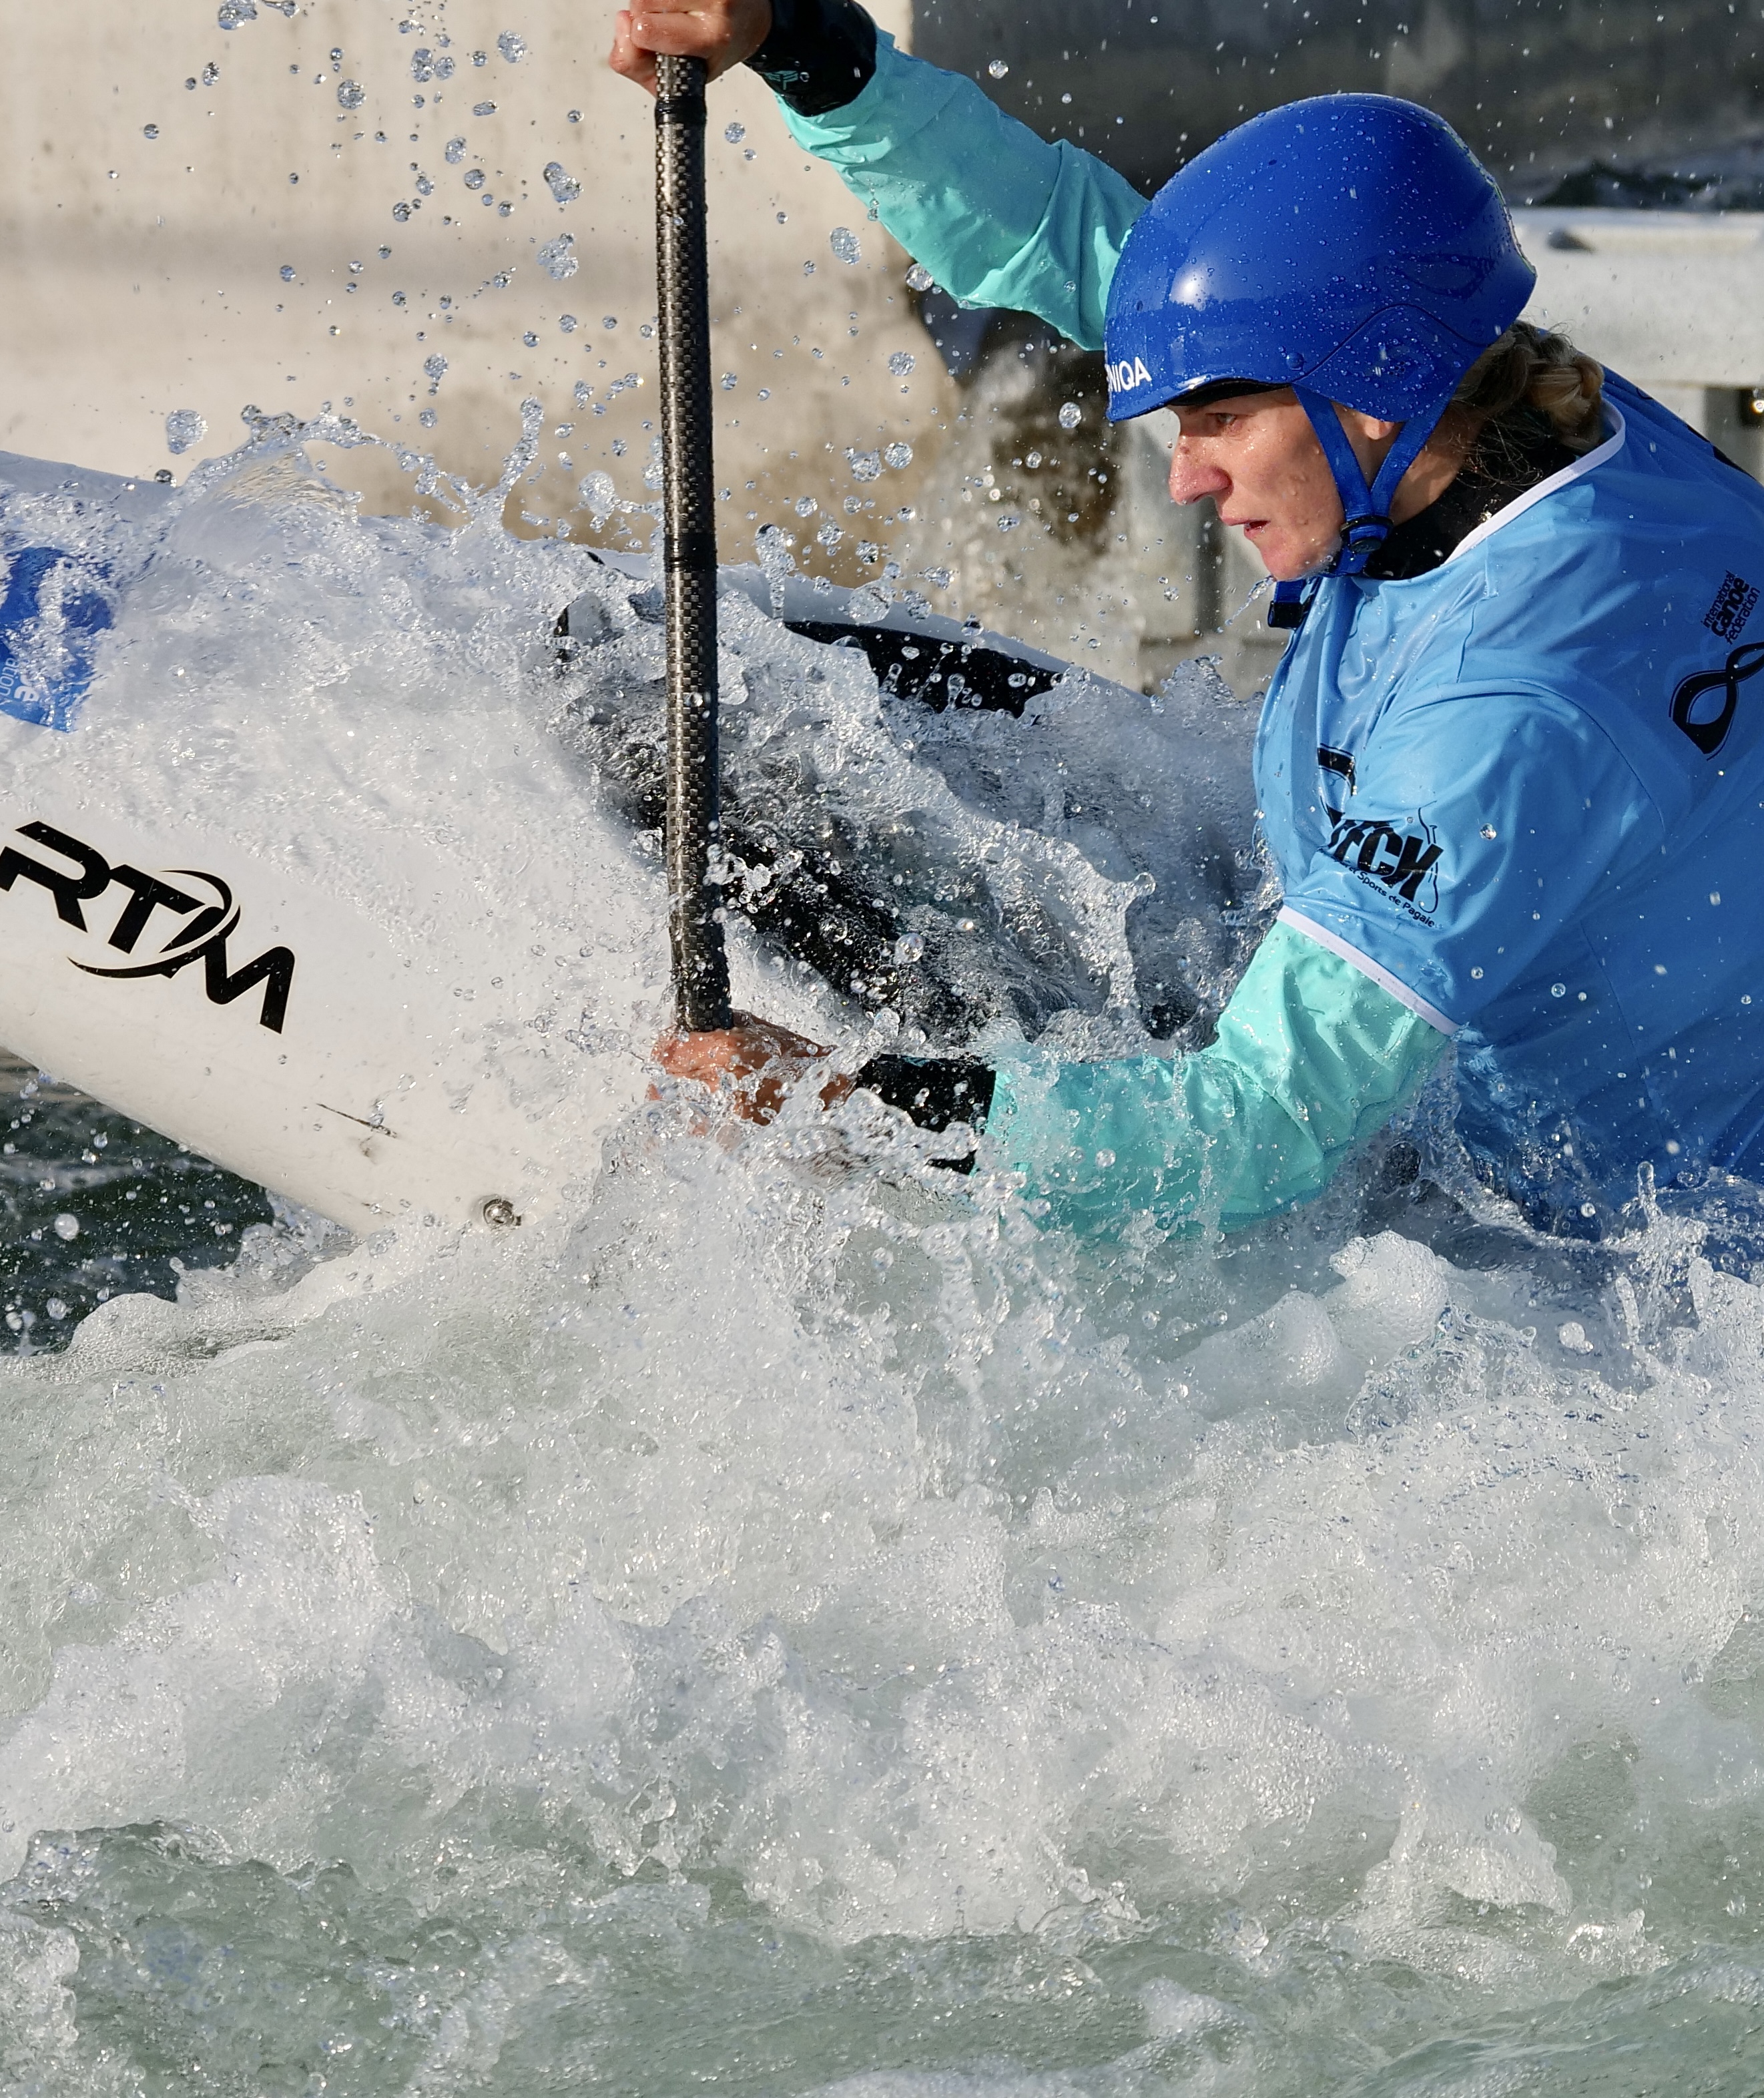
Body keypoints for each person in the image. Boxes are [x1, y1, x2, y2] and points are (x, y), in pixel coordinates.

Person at [615, 0, 1764, 1239]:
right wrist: (804, 44)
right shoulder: (1509, 394)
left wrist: (842, 1104)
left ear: (1370, 390)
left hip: (1535, 1247)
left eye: (1216, 421)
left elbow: (1252, 1135)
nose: (1186, 477)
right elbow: (1064, 237)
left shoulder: (1514, 711)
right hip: (1436, 1010)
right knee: (683, 681)